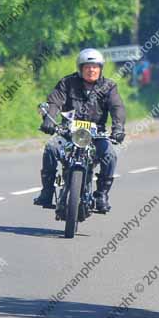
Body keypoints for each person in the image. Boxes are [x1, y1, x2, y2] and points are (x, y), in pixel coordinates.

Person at [33, 48, 126, 213]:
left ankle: (101, 194)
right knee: (51, 148)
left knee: (110, 155)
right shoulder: (67, 83)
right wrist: (49, 119)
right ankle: (47, 191)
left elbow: (117, 107)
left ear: (100, 68)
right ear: (80, 68)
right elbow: (54, 102)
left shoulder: (109, 86)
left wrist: (118, 128)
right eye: (87, 66)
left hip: (96, 135)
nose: (91, 70)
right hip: (68, 133)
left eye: (95, 66)